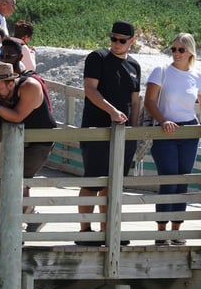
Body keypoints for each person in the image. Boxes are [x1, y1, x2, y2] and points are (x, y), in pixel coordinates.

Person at [76, 21, 141, 245]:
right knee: (93, 182)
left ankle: (109, 231)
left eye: (122, 40)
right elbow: (90, 88)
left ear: (132, 41)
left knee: (114, 185)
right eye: (113, 38)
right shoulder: (97, 58)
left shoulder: (134, 66)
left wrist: (133, 129)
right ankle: (85, 231)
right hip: (97, 130)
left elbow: (135, 100)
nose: (116, 43)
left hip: (123, 134)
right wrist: (112, 111)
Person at [0, 61, 56, 220]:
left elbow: (17, 116)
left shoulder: (30, 87)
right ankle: (27, 220)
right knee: (11, 182)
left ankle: (19, 225)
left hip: (38, 142)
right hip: (13, 139)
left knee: (17, 181)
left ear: (11, 84)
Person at [144, 33, 200, 244]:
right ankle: (161, 232)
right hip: (165, 131)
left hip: (189, 132)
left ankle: (176, 232)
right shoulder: (162, 71)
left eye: (181, 50)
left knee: (183, 180)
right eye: (173, 49)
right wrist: (163, 120)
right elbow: (150, 101)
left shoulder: (197, 74)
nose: (176, 53)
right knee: (168, 180)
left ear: (190, 52)